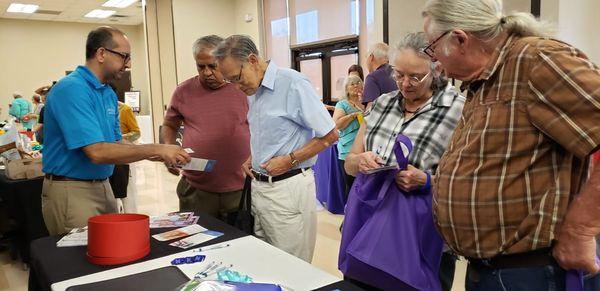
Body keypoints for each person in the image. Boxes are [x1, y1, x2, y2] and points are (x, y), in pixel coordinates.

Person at [422, 0, 600, 289]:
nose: (434, 61)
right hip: (492, 270)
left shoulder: (537, 59)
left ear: (459, 39)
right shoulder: (484, 79)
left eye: (432, 48)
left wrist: (582, 229)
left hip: (532, 271)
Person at [343, 32, 465, 290]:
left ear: (437, 69)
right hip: (368, 226)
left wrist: (426, 180)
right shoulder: (380, 105)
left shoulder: (459, 109)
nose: (405, 83)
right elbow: (349, 163)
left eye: (415, 77)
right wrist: (361, 161)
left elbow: (470, 180)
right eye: (399, 75)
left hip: (419, 235)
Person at [42, 26, 190, 235]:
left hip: (103, 186)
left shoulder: (107, 93)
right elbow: (97, 152)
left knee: (108, 253)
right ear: (101, 53)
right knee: (80, 262)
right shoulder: (72, 89)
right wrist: (154, 148)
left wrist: (157, 153)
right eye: (124, 56)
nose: (128, 64)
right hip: (72, 190)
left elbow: (115, 143)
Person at [214, 35, 338, 262]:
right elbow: (271, 133)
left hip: (287, 188)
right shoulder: (253, 91)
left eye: (237, 79)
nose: (238, 87)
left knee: (291, 266)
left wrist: (289, 159)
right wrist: (254, 156)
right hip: (259, 189)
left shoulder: (293, 84)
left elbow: (330, 134)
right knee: (265, 263)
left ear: (252, 60)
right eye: (231, 82)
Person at [161, 35, 250, 222]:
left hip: (240, 188)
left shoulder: (243, 88)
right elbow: (170, 124)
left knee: (239, 244)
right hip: (196, 189)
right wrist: (168, 148)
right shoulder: (183, 91)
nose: (207, 73)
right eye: (201, 67)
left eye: (213, 66)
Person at [332, 74, 364, 200]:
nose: (356, 85)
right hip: (348, 150)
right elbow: (337, 125)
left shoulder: (366, 102)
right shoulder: (342, 104)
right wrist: (353, 116)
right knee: (351, 185)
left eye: (359, 82)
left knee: (364, 185)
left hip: (365, 149)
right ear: (346, 88)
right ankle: (350, 214)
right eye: (352, 84)